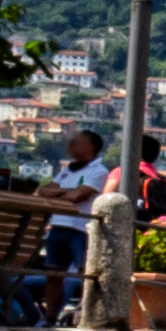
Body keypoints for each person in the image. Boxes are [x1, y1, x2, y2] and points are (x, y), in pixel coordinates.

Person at [43, 126, 107, 317]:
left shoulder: (99, 171)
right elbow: (43, 191)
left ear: (91, 147)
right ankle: (50, 317)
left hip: (80, 228)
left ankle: (88, 314)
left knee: (86, 274)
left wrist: (58, 193)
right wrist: (67, 192)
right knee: (53, 276)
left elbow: (79, 196)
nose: (71, 144)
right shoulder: (65, 170)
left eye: (78, 141)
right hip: (58, 226)